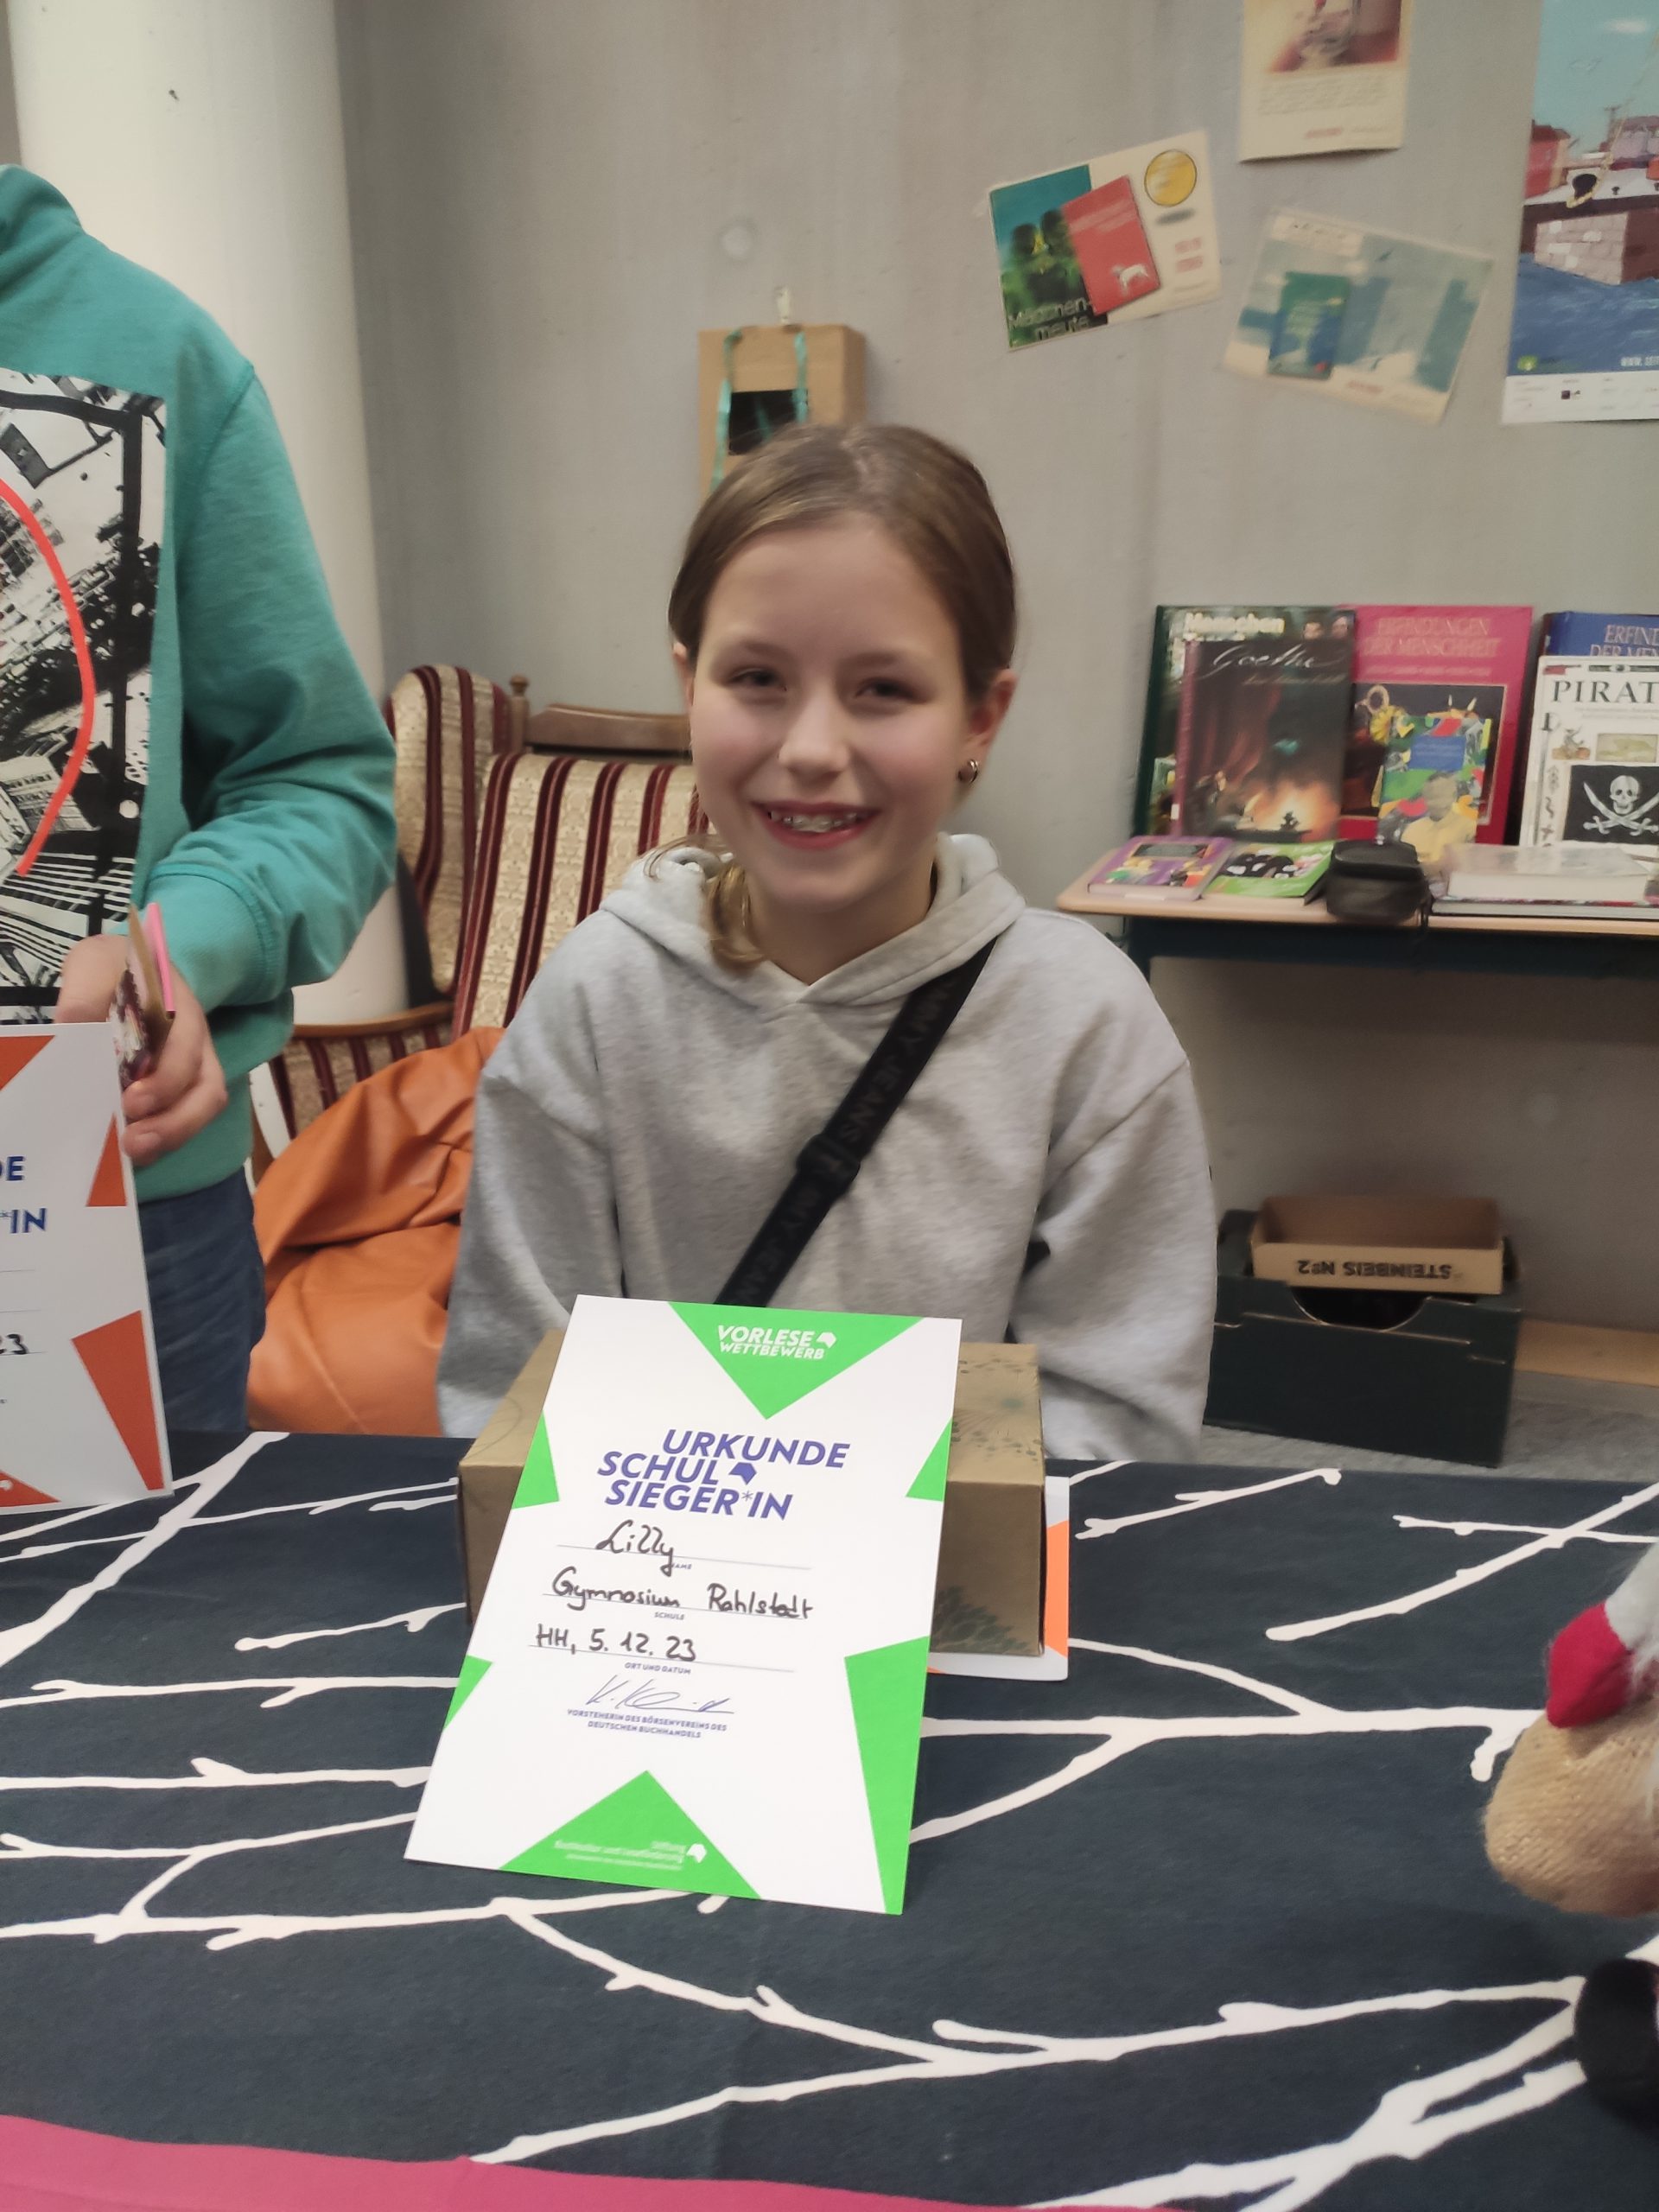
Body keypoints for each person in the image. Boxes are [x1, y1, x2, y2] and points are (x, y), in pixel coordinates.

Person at [440, 423, 1215, 1459]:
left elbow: (1113, 1426)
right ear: (689, 686)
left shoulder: (1089, 1028)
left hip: (969, 1564)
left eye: (883, 689)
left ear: (981, 717)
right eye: (758, 678)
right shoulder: (594, 1002)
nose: (811, 749)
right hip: (654, 1559)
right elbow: (517, 1392)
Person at [0, 166, 396, 1428]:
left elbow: (319, 781)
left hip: (98, 1214)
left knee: (122, 1572)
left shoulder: (160, 355)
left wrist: (176, 950)